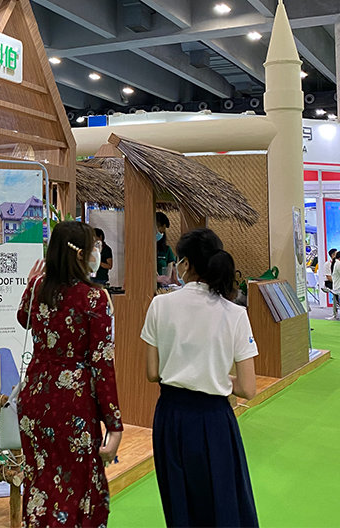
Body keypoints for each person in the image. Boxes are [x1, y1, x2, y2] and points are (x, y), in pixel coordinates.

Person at [141, 228, 259, 527]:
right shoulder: (235, 313)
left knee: (179, 502)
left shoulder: (159, 305)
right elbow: (248, 388)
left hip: (170, 416)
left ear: (185, 263)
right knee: (223, 501)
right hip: (214, 418)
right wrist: (216, 376)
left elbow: (153, 373)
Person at [17, 221, 123, 528]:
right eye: (93, 248)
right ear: (80, 254)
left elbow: (23, 318)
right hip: (74, 404)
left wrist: (30, 284)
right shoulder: (94, 298)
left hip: (35, 397)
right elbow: (102, 364)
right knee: (78, 486)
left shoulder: (38, 287)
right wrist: (114, 424)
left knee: (40, 483)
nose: (96, 253)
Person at [156, 211, 177, 283]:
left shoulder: (167, 250)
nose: (162, 232)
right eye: (161, 229)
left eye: (163, 231)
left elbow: (168, 274)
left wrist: (166, 281)